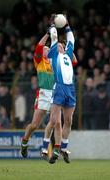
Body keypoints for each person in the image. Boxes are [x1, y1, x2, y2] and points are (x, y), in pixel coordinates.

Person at [46, 15, 76, 164]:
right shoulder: (53, 54)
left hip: (70, 89)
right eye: (58, 44)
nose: (59, 45)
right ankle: (56, 149)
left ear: (64, 47)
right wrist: (52, 24)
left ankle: (63, 148)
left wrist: (68, 26)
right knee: (54, 120)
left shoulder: (68, 55)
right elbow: (53, 36)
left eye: (61, 45)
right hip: (59, 88)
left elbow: (72, 40)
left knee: (69, 121)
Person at [21, 32, 55, 158]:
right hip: (43, 94)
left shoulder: (53, 63)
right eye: (46, 49)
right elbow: (39, 46)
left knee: (55, 123)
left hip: (55, 94)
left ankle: (49, 150)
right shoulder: (39, 61)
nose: (47, 50)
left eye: (48, 49)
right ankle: (24, 142)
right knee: (35, 125)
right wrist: (48, 34)